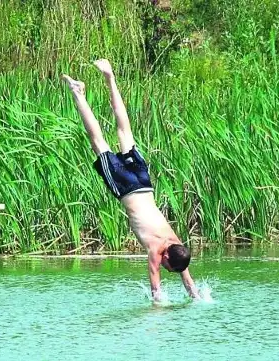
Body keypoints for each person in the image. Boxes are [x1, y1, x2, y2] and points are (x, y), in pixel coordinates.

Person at [62, 59, 199, 301]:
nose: (166, 270)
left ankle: (109, 76)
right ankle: (78, 93)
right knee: (99, 143)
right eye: (168, 267)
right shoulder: (158, 252)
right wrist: (160, 310)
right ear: (166, 257)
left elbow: (187, 278)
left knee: (125, 132)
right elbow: (156, 291)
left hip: (145, 184)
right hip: (127, 188)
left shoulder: (177, 246)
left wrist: (196, 296)